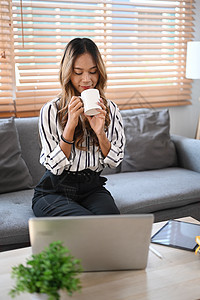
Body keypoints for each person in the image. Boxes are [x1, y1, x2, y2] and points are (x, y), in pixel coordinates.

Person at [32, 37, 125, 217]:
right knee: (87, 226)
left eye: (93, 71)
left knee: (113, 225)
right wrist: (70, 126)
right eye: (78, 72)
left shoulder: (110, 109)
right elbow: (55, 167)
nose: (87, 79)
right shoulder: (51, 110)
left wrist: (100, 133)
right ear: (68, 73)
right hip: (53, 191)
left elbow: (115, 161)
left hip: (92, 188)